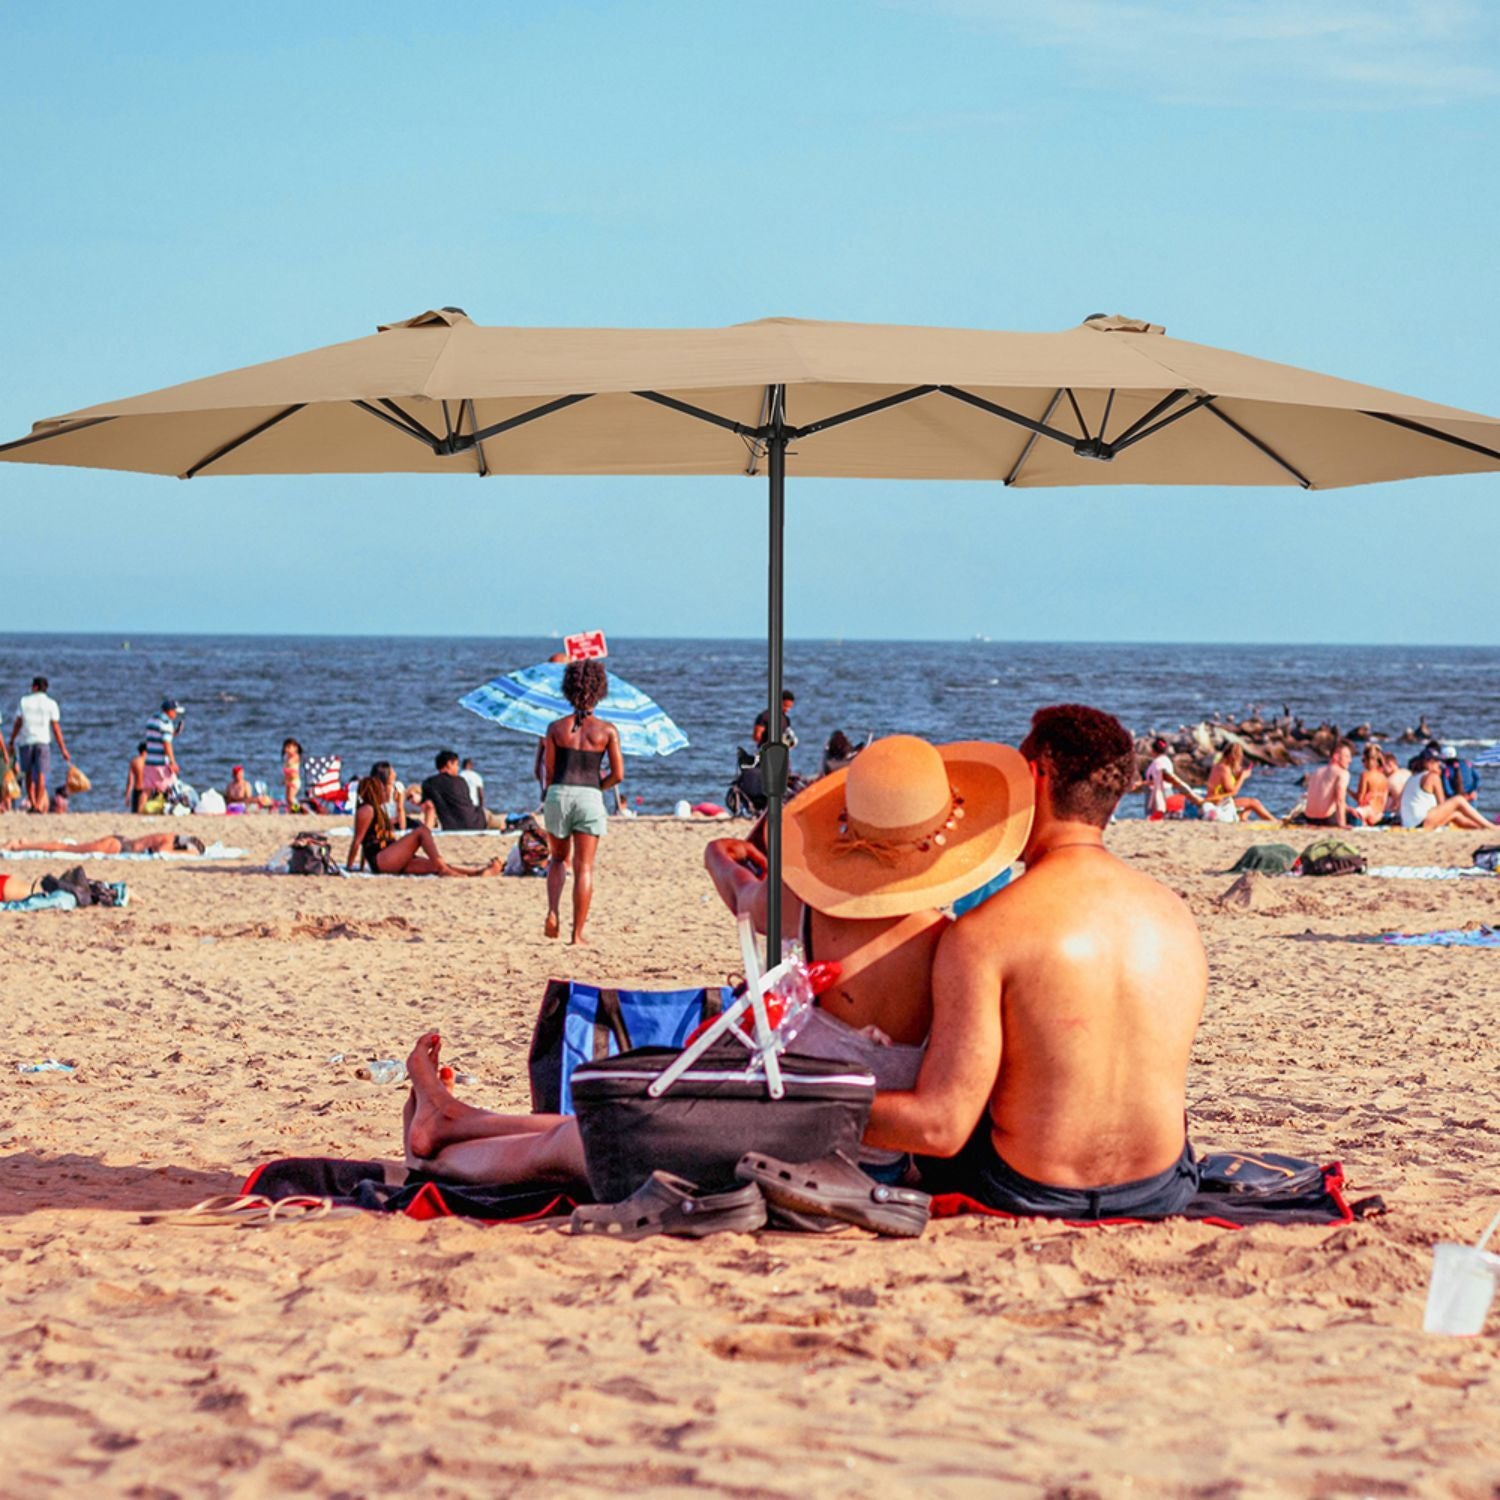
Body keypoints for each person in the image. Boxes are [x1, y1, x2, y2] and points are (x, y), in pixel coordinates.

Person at [398, 733, 1034, 1187]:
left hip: (779, 1137)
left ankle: (437, 1154)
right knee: (613, 1120)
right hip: (869, 1159)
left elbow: (739, 892)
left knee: (583, 1143)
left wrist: (719, 852)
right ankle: (459, 1119)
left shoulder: (805, 907)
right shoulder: (954, 944)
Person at [863, 704, 1207, 1219]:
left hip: (1028, 1187)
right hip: (1160, 1185)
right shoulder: (1175, 915)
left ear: (1034, 778)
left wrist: (807, 1107)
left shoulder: (986, 931)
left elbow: (941, 1126)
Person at [542, 661, 624, 944]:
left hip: (559, 794)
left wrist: (549, 790)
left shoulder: (555, 728)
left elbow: (549, 770)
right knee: (584, 868)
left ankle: (553, 912)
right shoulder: (607, 731)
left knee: (556, 859)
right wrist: (597, 787)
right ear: (600, 691)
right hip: (589, 795)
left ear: (568, 690)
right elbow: (618, 774)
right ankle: (577, 935)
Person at [346, 763, 502, 877]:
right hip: (382, 859)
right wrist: (349, 867)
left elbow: (364, 842)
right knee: (421, 832)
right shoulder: (366, 810)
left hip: (390, 855)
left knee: (434, 864)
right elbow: (358, 841)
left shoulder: (377, 809)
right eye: (382, 788)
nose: (386, 791)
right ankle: (446, 871)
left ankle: (477, 872)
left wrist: (360, 867)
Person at [10, 676, 70, 813]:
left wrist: (12, 740)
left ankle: (32, 803)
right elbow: (56, 728)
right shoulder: (51, 703)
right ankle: (38, 804)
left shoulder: (24, 701)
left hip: (26, 741)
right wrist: (63, 749)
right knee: (42, 774)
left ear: (35, 687)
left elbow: (18, 723)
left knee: (28, 774)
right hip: (43, 741)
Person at [1399, 750, 1496, 831]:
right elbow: (1441, 802)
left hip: (1410, 823)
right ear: (1428, 762)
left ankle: (1483, 828)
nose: (1439, 765)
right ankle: (1491, 826)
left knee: (1455, 815)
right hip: (1421, 822)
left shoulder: (1413, 777)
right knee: (1458, 800)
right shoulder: (1432, 776)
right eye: (1436, 762)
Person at [1203, 743, 1275, 823]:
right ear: (1233, 756)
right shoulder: (1224, 769)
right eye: (1239, 757)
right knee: (1254, 802)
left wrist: (1237, 777)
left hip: (1216, 801)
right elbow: (1233, 792)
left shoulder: (1219, 766)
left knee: (1247, 805)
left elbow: (1225, 789)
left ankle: (1242, 819)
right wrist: (1242, 777)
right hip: (1217, 803)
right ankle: (1274, 821)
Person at [422, 750, 488, 832]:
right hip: (476, 824)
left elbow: (428, 806)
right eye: (456, 764)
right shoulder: (461, 781)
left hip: (451, 826)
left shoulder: (429, 783)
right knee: (486, 814)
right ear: (449, 764)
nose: (458, 768)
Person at [1139, 737, 1198, 819]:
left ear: (1153, 751)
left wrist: (1140, 783)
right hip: (1168, 791)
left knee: (1153, 816)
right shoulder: (1167, 761)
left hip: (1157, 794)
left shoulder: (1157, 763)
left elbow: (1156, 780)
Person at [2, 831, 205, 855]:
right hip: (117, 847)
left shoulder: (170, 835)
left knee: (69, 847)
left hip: (119, 841)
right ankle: (20, 846)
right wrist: (184, 853)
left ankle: (25, 844)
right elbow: (163, 852)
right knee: (69, 848)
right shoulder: (168, 842)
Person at [1303, 741, 1355, 828]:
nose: (1350, 761)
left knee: (1349, 810)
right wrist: (1342, 824)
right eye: (1347, 756)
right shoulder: (1342, 773)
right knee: (1356, 818)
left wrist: (1347, 808)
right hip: (1327, 819)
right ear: (1336, 756)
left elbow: (1323, 797)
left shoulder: (1317, 771)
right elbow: (1340, 800)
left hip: (1309, 818)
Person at [143, 700, 183, 803]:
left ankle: (139, 811)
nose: (176, 714)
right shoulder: (166, 722)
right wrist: (173, 762)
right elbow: (166, 744)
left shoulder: (152, 719)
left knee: (147, 789)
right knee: (170, 785)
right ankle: (169, 809)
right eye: (175, 711)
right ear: (169, 711)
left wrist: (173, 734)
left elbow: (157, 738)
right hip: (160, 762)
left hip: (149, 760)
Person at [1352, 744, 1391, 826]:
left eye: (1363, 760)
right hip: (1379, 814)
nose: (1363, 763)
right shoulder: (1384, 777)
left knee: (1348, 812)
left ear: (1369, 760)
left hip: (1368, 812)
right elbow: (1384, 800)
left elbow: (1360, 800)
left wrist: (1347, 790)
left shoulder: (1365, 775)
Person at [1438, 743, 1481, 808]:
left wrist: (1457, 798)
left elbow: (1447, 788)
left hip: (1457, 801)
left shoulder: (1446, 769)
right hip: (1471, 798)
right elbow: (1477, 778)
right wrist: (1474, 791)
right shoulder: (1467, 763)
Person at [125, 743, 148, 814]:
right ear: (145, 751)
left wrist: (127, 795)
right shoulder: (150, 762)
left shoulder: (134, 762)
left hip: (137, 791)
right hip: (147, 791)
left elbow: (130, 781)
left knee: (135, 813)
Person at [281, 738, 303, 812]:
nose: (286, 749)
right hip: (288, 781)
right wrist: (284, 779)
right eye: (285, 747)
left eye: (289, 747)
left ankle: (299, 809)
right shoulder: (286, 757)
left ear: (295, 748)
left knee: (291, 798)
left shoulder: (296, 757)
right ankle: (292, 811)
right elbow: (286, 770)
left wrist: (289, 761)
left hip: (294, 781)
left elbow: (292, 766)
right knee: (287, 798)